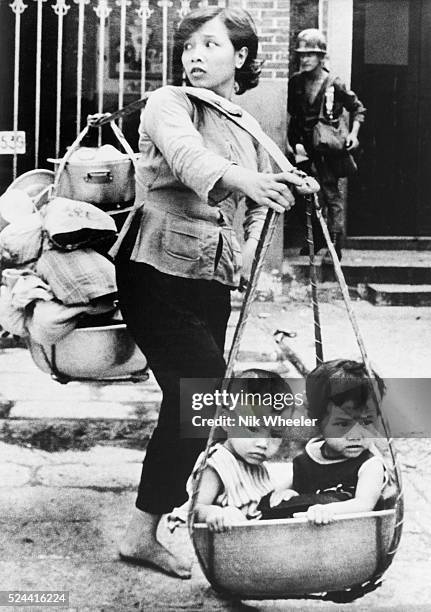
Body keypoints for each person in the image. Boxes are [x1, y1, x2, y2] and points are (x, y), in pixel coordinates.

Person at [111, 7, 316, 578]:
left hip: (210, 281)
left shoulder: (246, 125)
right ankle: (164, 523)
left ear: (242, 58)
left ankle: (170, 521)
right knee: (197, 399)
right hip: (154, 270)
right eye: (189, 46)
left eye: (209, 45)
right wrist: (246, 180)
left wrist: (255, 238)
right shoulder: (168, 104)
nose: (193, 56)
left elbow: (252, 207)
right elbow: (189, 159)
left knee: (192, 406)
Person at [258, 359, 388, 524]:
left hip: (353, 535)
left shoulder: (369, 465)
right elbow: (286, 489)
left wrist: (327, 509)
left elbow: (364, 503)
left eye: (367, 421)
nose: (356, 435)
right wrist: (283, 495)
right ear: (318, 422)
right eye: (342, 424)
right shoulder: (309, 457)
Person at [169, 369, 298, 533]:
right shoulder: (217, 465)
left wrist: (282, 496)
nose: (263, 443)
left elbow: (260, 505)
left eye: (275, 434)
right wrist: (214, 513)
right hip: (227, 546)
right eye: (252, 429)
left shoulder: (255, 464)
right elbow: (193, 508)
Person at [287, 29, 366, 260]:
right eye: (301, 55)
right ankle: (317, 238)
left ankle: (334, 244)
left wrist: (353, 134)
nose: (305, 59)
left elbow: (358, 108)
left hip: (327, 149)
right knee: (301, 194)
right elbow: (291, 114)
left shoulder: (334, 83)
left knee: (331, 195)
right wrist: (291, 144)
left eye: (310, 55)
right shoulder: (295, 82)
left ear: (321, 57)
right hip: (302, 149)